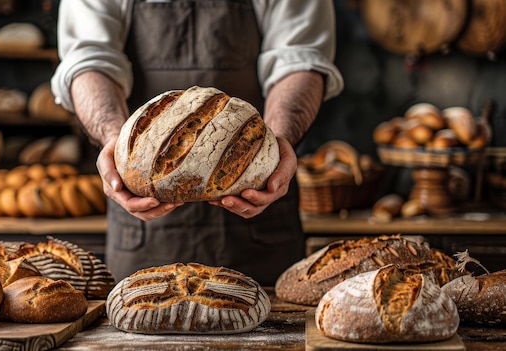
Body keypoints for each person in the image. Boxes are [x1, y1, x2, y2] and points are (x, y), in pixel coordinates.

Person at [51, 0, 343, 285]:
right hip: (143, 224)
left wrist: (278, 142)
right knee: (141, 320)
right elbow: (88, 60)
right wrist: (114, 139)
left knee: (273, 323)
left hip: (260, 208)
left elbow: (300, 59)